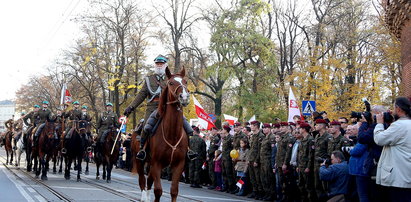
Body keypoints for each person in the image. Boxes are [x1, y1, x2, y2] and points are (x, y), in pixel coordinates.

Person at [123, 55, 194, 160]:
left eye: (161, 64)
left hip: (169, 107)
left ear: (165, 65)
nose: (159, 65)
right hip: (153, 107)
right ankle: (143, 149)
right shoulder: (149, 79)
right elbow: (141, 95)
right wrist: (131, 107)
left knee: (186, 125)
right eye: (157, 64)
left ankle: (188, 149)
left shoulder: (171, 79)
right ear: (155, 65)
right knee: (147, 126)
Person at [373, 97, 411, 201]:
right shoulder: (406, 124)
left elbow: (379, 139)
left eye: (394, 108)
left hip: (398, 178)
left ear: (398, 109)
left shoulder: (399, 125)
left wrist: (379, 123)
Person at [297, 122, 316, 202]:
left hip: (306, 166)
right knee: (301, 185)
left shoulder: (310, 139)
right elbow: (299, 154)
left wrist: (308, 167)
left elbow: (311, 155)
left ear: (304, 129)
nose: (299, 130)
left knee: (309, 186)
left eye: (300, 128)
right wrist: (298, 165)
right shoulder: (302, 139)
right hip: (301, 165)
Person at [246, 121, 264, 200]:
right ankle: (255, 191)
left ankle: (260, 192)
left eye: (252, 125)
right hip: (251, 159)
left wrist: (257, 160)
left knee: (258, 177)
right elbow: (251, 149)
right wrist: (248, 159)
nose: (251, 127)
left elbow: (260, 150)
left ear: (256, 126)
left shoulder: (261, 136)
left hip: (256, 160)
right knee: (252, 177)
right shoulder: (253, 136)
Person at [313, 119, 330, 200]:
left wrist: (326, 162)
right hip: (316, 164)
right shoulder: (317, 136)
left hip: (324, 164)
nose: (315, 126)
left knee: (325, 186)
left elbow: (329, 151)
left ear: (321, 126)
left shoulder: (328, 137)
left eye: (316, 125)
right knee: (317, 185)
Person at [259, 123, 276, 201]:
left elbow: (273, 151)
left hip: (268, 161)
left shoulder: (272, 137)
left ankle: (271, 194)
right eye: (263, 128)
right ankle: (266, 193)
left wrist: (272, 163)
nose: (264, 129)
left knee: (269, 178)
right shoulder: (265, 137)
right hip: (263, 161)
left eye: (266, 128)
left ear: (269, 128)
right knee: (264, 178)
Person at [220, 125, 236, 193]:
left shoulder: (231, 138)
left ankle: (230, 187)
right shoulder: (225, 138)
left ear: (226, 130)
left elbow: (233, 148)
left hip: (228, 158)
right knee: (224, 173)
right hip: (224, 158)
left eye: (223, 129)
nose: (222, 131)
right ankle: (225, 186)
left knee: (229, 173)